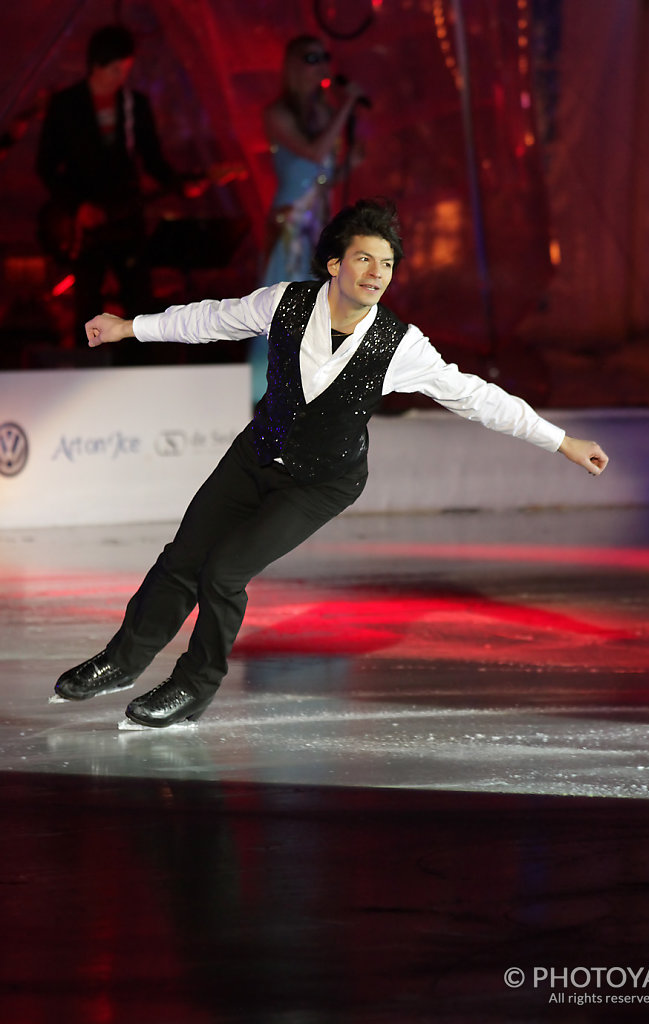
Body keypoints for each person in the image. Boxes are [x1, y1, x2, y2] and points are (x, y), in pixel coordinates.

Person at [52, 198, 609, 730]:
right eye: (365, 258)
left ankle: (193, 687)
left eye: (387, 264)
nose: (377, 273)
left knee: (223, 572)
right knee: (182, 559)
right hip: (254, 456)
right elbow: (213, 319)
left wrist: (561, 441)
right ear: (335, 264)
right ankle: (120, 663)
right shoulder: (285, 303)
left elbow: (476, 396)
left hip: (321, 482)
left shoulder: (400, 345)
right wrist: (131, 327)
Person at [35, 24, 182, 342]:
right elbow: (45, 165)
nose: (121, 78)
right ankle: (86, 372)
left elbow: (151, 158)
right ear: (96, 65)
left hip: (126, 218)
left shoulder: (134, 105)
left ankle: (138, 372)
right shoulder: (66, 105)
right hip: (85, 224)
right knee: (87, 301)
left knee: (137, 302)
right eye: (115, 69)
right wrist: (77, 206)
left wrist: (180, 183)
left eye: (126, 70)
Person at [249, 34, 367, 403]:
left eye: (324, 58)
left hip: (319, 221)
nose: (321, 66)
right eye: (312, 59)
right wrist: (347, 106)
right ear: (295, 66)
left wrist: (350, 162)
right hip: (291, 224)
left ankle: (311, 391)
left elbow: (324, 173)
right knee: (287, 306)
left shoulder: (325, 112)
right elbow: (314, 153)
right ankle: (269, 396)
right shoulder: (277, 114)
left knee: (321, 305)